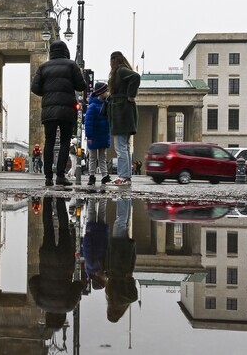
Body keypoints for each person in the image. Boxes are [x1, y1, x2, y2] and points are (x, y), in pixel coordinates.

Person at [31, 41, 86, 186]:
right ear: (65, 51)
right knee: (65, 141)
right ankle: (60, 175)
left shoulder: (43, 67)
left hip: (49, 110)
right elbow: (81, 86)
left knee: (49, 141)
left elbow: (34, 88)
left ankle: (48, 177)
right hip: (67, 110)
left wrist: (47, 93)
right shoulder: (71, 65)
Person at [28, 196, 85, 330]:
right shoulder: (41, 303)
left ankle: (59, 200)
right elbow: (33, 281)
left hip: (65, 261)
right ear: (48, 317)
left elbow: (79, 285)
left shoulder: (68, 305)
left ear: (62, 318)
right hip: (47, 259)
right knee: (48, 229)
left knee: (64, 229)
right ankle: (47, 199)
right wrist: (43, 277)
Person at [106, 51, 140, 186]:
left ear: (114, 60)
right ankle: (126, 176)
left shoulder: (120, 71)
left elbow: (136, 76)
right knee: (125, 147)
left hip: (121, 113)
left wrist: (131, 95)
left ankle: (123, 176)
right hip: (125, 112)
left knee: (120, 147)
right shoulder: (122, 71)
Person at [106, 198, 138, 322]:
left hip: (125, 259)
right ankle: (123, 197)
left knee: (124, 223)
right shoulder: (114, 299)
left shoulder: (123, 301)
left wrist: (128, 280)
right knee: (120, 222)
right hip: (118, 256)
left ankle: (126, 198)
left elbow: (133, 296)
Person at [85, 81, 111, 185]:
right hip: (95, 136)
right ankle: (92, 175)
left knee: (102, 157)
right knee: (93, 157)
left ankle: (104, 175)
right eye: (106, 91)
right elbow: (88, 123)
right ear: (101, 92)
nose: (108, 93)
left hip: (101, 135)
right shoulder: (93, 106)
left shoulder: (105, 104)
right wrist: (89, 136)